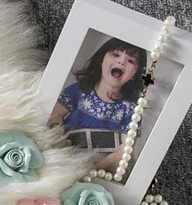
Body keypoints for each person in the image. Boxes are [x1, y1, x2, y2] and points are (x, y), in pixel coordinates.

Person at [48, 37, 147, 174]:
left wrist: (95, 168)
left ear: (135, 74)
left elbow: (125, 150)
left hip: (101, 166)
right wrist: (58, 139)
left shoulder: (131, 110)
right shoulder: (79, 90)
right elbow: (54, 116)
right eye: (116, 54)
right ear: (101, 60)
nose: (121, 61)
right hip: (65, 155)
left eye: (131, 61)